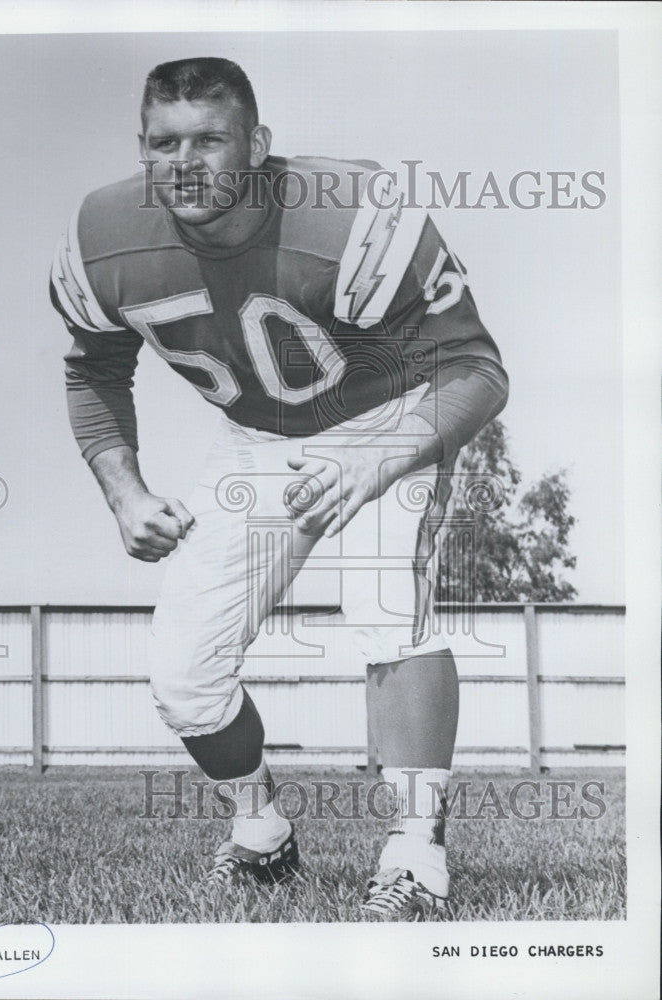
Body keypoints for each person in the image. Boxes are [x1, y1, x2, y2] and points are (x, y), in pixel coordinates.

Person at [50, 57, 508, 919]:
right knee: (183, 675)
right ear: (140, 149)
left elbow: (477, 371)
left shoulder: (355, 215)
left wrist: (375, 463)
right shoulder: (103, 237)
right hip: (262, 437)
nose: (185, 162)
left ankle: (415, 852)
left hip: (390, 412)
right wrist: (125, 492)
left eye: (210, 141)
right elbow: (94, 368)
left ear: (258, 145)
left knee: (386, 613)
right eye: (163, 142)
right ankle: (263, 834)